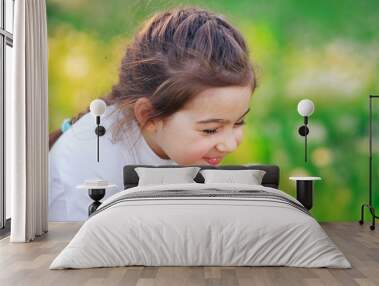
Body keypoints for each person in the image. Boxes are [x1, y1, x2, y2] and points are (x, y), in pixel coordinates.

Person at [48, 6, 257, 221]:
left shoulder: (175, 144)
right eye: (211, 129)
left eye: (239, 122)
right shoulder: (96, 157)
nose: (230, 144)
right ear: (149, 116)